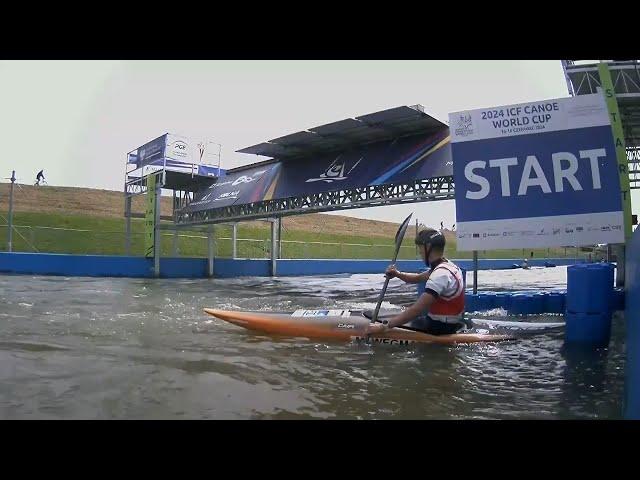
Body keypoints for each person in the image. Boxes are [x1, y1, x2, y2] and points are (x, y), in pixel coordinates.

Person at [366, 226, 466, 336]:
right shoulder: (448, 266)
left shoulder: (440, 275)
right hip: (448, 322)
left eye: (420, 249)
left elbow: (417, 309)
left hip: (439, 327)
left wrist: (383, 327)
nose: (420, 253)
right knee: (399, 316)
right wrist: (397, 274)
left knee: (399, 319)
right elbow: (417, 278)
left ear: (427, 247)